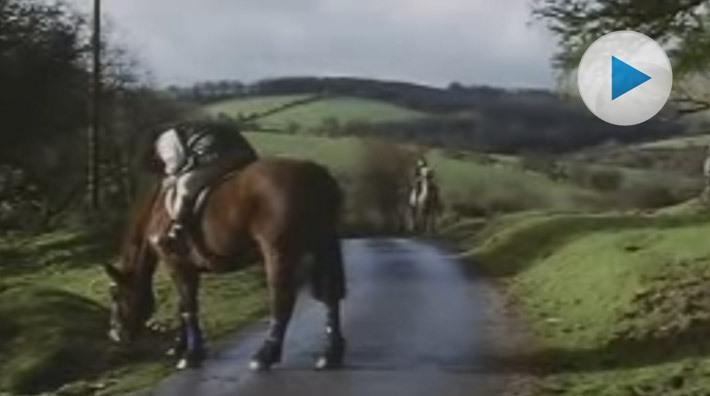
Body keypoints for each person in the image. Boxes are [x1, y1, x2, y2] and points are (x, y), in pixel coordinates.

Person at [150, 120, 258, 254]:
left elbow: (175, 166)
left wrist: (167, 179)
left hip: (218, 159)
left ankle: (176, 229)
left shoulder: (164, 140)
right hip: (243, 155)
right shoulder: (188, 129)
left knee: (185, 185)